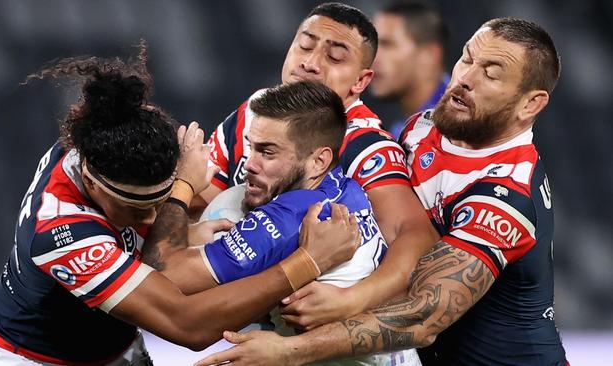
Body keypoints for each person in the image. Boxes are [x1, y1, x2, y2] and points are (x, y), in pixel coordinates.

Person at [196, 17, 568, 366]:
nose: (465, 78)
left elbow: (424, 317)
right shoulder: (422, 129)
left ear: (531, 103)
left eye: (491, 74)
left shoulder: (506, 195)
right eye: (466, 58)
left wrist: (296, 346)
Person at [0, 44, 360, 365]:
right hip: (25, 357)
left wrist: (183, 224)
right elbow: (188, 326)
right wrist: (306, 263)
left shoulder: (110, 135)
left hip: (115, 351)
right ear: (91, 185)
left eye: (161, 199)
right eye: (138, 211)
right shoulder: (63, 235)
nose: (153, 217)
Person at [198, 1, 438, 321]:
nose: (310, 63)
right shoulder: (255, 111)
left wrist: (354, 299)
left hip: (337, 336)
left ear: (361, 81)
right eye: (305, 46)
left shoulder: (364, 144)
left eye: (335, 57)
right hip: (260, 326)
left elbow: (418, 237)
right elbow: (201, 204)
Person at [170, 80, 420, 365]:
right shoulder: (345, 187)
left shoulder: (285, 221)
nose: (249, 163)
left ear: (318, 161)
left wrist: (184, 184)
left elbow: (168, 283)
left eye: (268, 152)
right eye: (251, 148)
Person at [371, 1, 449, 137]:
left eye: (387, 44)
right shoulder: (401, 131)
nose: (373, 58)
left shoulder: (460, 124)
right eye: (374, 45)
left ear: (429, 55)